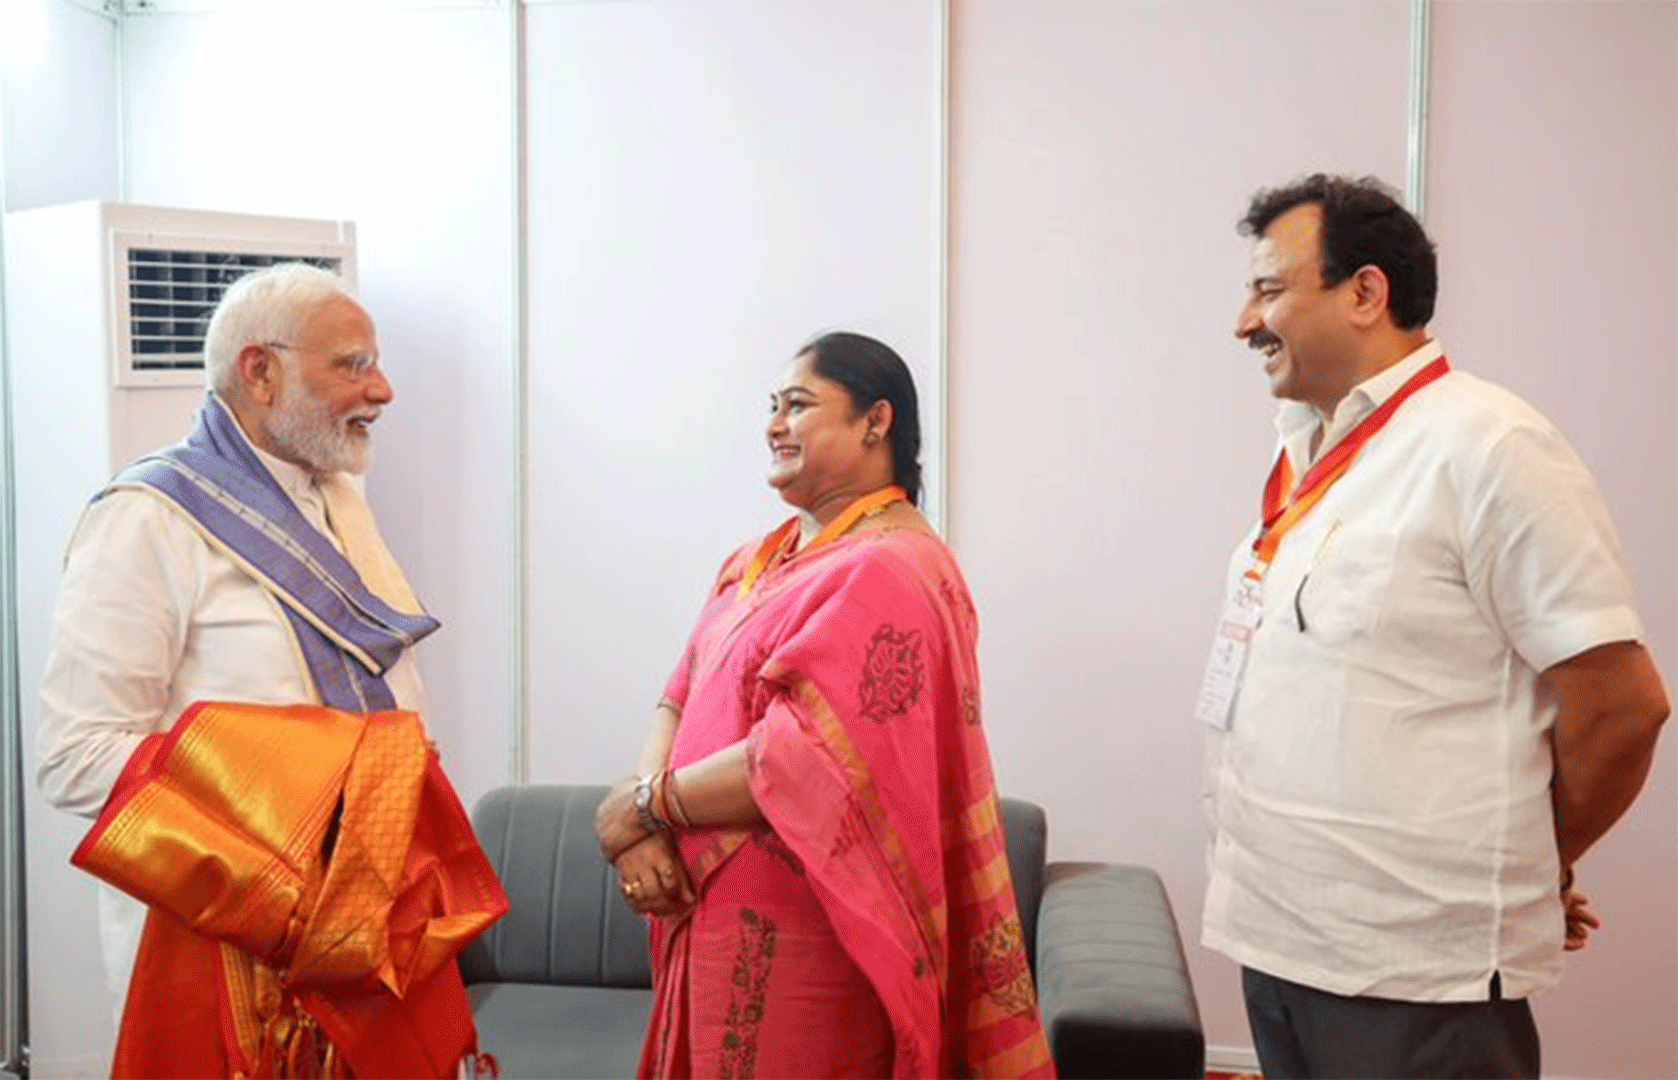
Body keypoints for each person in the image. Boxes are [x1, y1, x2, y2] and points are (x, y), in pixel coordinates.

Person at [1199, 173, 1670, 1079]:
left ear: (1366, 293)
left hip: (1414, 970)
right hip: (1283, 938)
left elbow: (1623, 706)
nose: (1243, 322)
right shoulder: (1304, 445)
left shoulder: (1490, 445)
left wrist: (1532, 862)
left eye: (1267, 289)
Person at [35, 263, 505, 1078]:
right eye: (353, 365)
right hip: (225, 942)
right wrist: (300, 800)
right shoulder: (145, 519)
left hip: (364, 914)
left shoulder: (337, 494)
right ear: (260, 372)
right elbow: (74, 756)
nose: (383, 389)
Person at [594, 331, 1054, 1079]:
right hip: (698, 911)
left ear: (876, 421)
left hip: (805, 932)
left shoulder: (892, 569)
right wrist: (640, 828)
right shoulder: (754, 560)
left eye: (798, 405)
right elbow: (677, 697)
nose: (775, 425)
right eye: (772, 406)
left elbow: (802, 757)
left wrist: (648, 807)